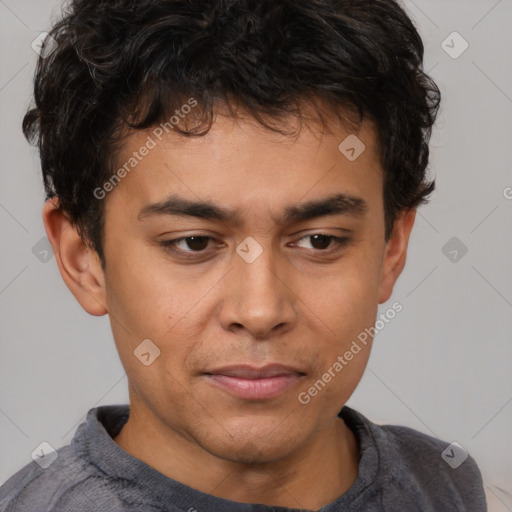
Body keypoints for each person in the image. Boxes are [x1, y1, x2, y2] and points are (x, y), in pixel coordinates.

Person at [0, 0, 486, 510]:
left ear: (392, 248)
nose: (260, 311)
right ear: (83, 259)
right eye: (193, 242)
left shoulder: (453, 489)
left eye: (320, 240)